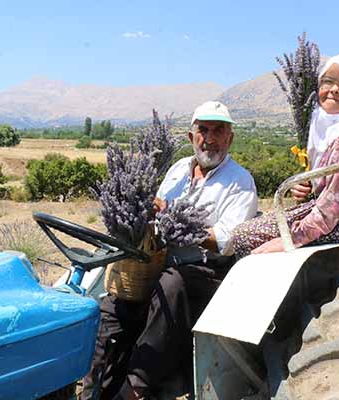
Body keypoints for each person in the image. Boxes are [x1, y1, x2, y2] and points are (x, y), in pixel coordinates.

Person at [81, 101, 258, 400]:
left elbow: (229, 239)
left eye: (218, 131)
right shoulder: (177, 170)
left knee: (171, 283)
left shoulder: (240, 181)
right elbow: (156, 217)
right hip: (160, 262)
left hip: (207, 272)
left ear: (230, 138)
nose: (210, 138)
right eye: (203, 130)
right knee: (112, 306)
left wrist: (178, 222)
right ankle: (94, 387)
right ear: (191, 137)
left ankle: (137, 386)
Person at [231, 54, 339, 258]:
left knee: (244, 236)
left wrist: (294, 238)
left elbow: (337, 204)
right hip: (336, 216)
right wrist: (305, 189)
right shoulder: (327, 130)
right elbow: (327, 190)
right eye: (327, 81)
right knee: (247, 232)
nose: (335, 89)